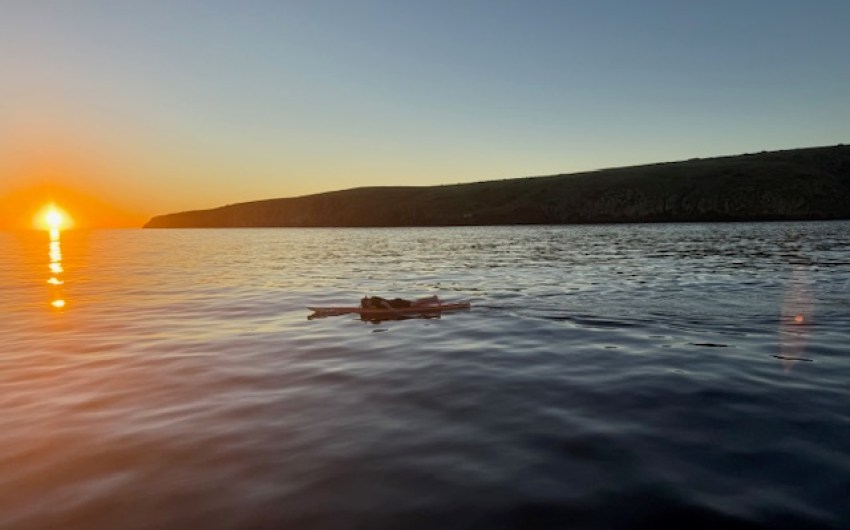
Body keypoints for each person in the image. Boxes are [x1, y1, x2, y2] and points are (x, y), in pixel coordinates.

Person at [361, 295, 440, 310]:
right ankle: (431, 299)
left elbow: (383, 303)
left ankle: (433, 298)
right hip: (396, 302)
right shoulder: (373, 301)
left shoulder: (373, 300)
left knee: (415, 304)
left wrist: (391, 309)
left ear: (367, 301)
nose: (367, 305)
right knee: (416, 303)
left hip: (397, 304)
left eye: (366, 304)